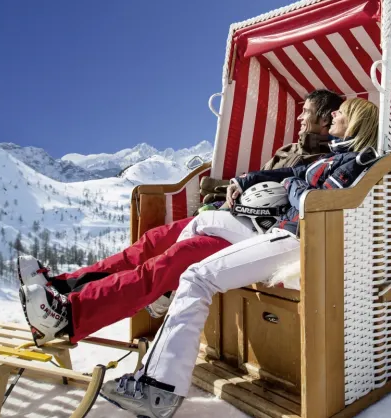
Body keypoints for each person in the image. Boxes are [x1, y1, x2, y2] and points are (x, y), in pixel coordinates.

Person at [99, 98, 381, 418]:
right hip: (280, 230)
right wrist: (243, 181)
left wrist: (292, 186)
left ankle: (160, 389)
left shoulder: (355, 162)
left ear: (355, 122)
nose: (334, 115)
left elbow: (314, 203)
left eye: (341, 112)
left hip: (299, 240)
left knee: (197, 277)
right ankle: (167, 294)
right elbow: (292, 171)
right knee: (202, 221)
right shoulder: (335, 156)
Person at [17, 89, 344, 345]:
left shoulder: (324, 162)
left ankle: (70, 316)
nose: (300, 117)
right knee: (150, 243)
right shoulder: (289, 150)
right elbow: (257, 181)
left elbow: (291, 198)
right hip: (227, 216)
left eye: (306, 112)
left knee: (169, 263)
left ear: (325, 119)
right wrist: (224, 190)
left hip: (252, 233)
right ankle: (61, 287)